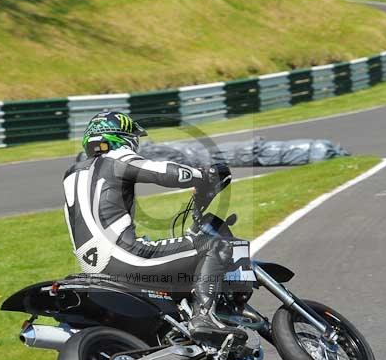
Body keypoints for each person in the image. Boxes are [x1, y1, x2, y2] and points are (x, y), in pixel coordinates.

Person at [62, 110, 247, 344]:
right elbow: (164, 172)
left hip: (92, 268)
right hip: (125, 257)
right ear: (123, 138)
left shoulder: (72, 176)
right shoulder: (115, 160)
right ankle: (204, 318)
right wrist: (204, 174)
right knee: (216, 247)